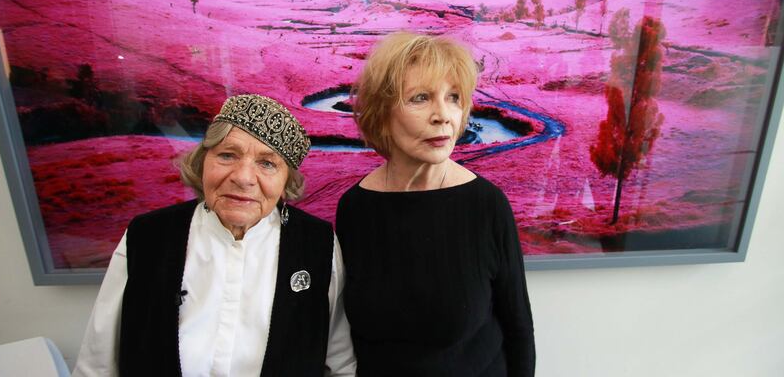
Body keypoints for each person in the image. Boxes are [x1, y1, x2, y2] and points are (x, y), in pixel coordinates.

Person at [73, 94, 356, 377]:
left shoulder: (317, 244)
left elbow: (340, 365)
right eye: (227, 155)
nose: (243, 177)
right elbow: (96, 366)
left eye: (267, 163)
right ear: (202, 162)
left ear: (286, 183)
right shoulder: (146, 237)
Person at [336, 32, 535, 376]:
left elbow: (519, 330)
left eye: (453, 97)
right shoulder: (355, 208)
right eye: (421, 98)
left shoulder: (486, 206)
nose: (443, 115)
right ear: (381, 113)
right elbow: (351, 336)